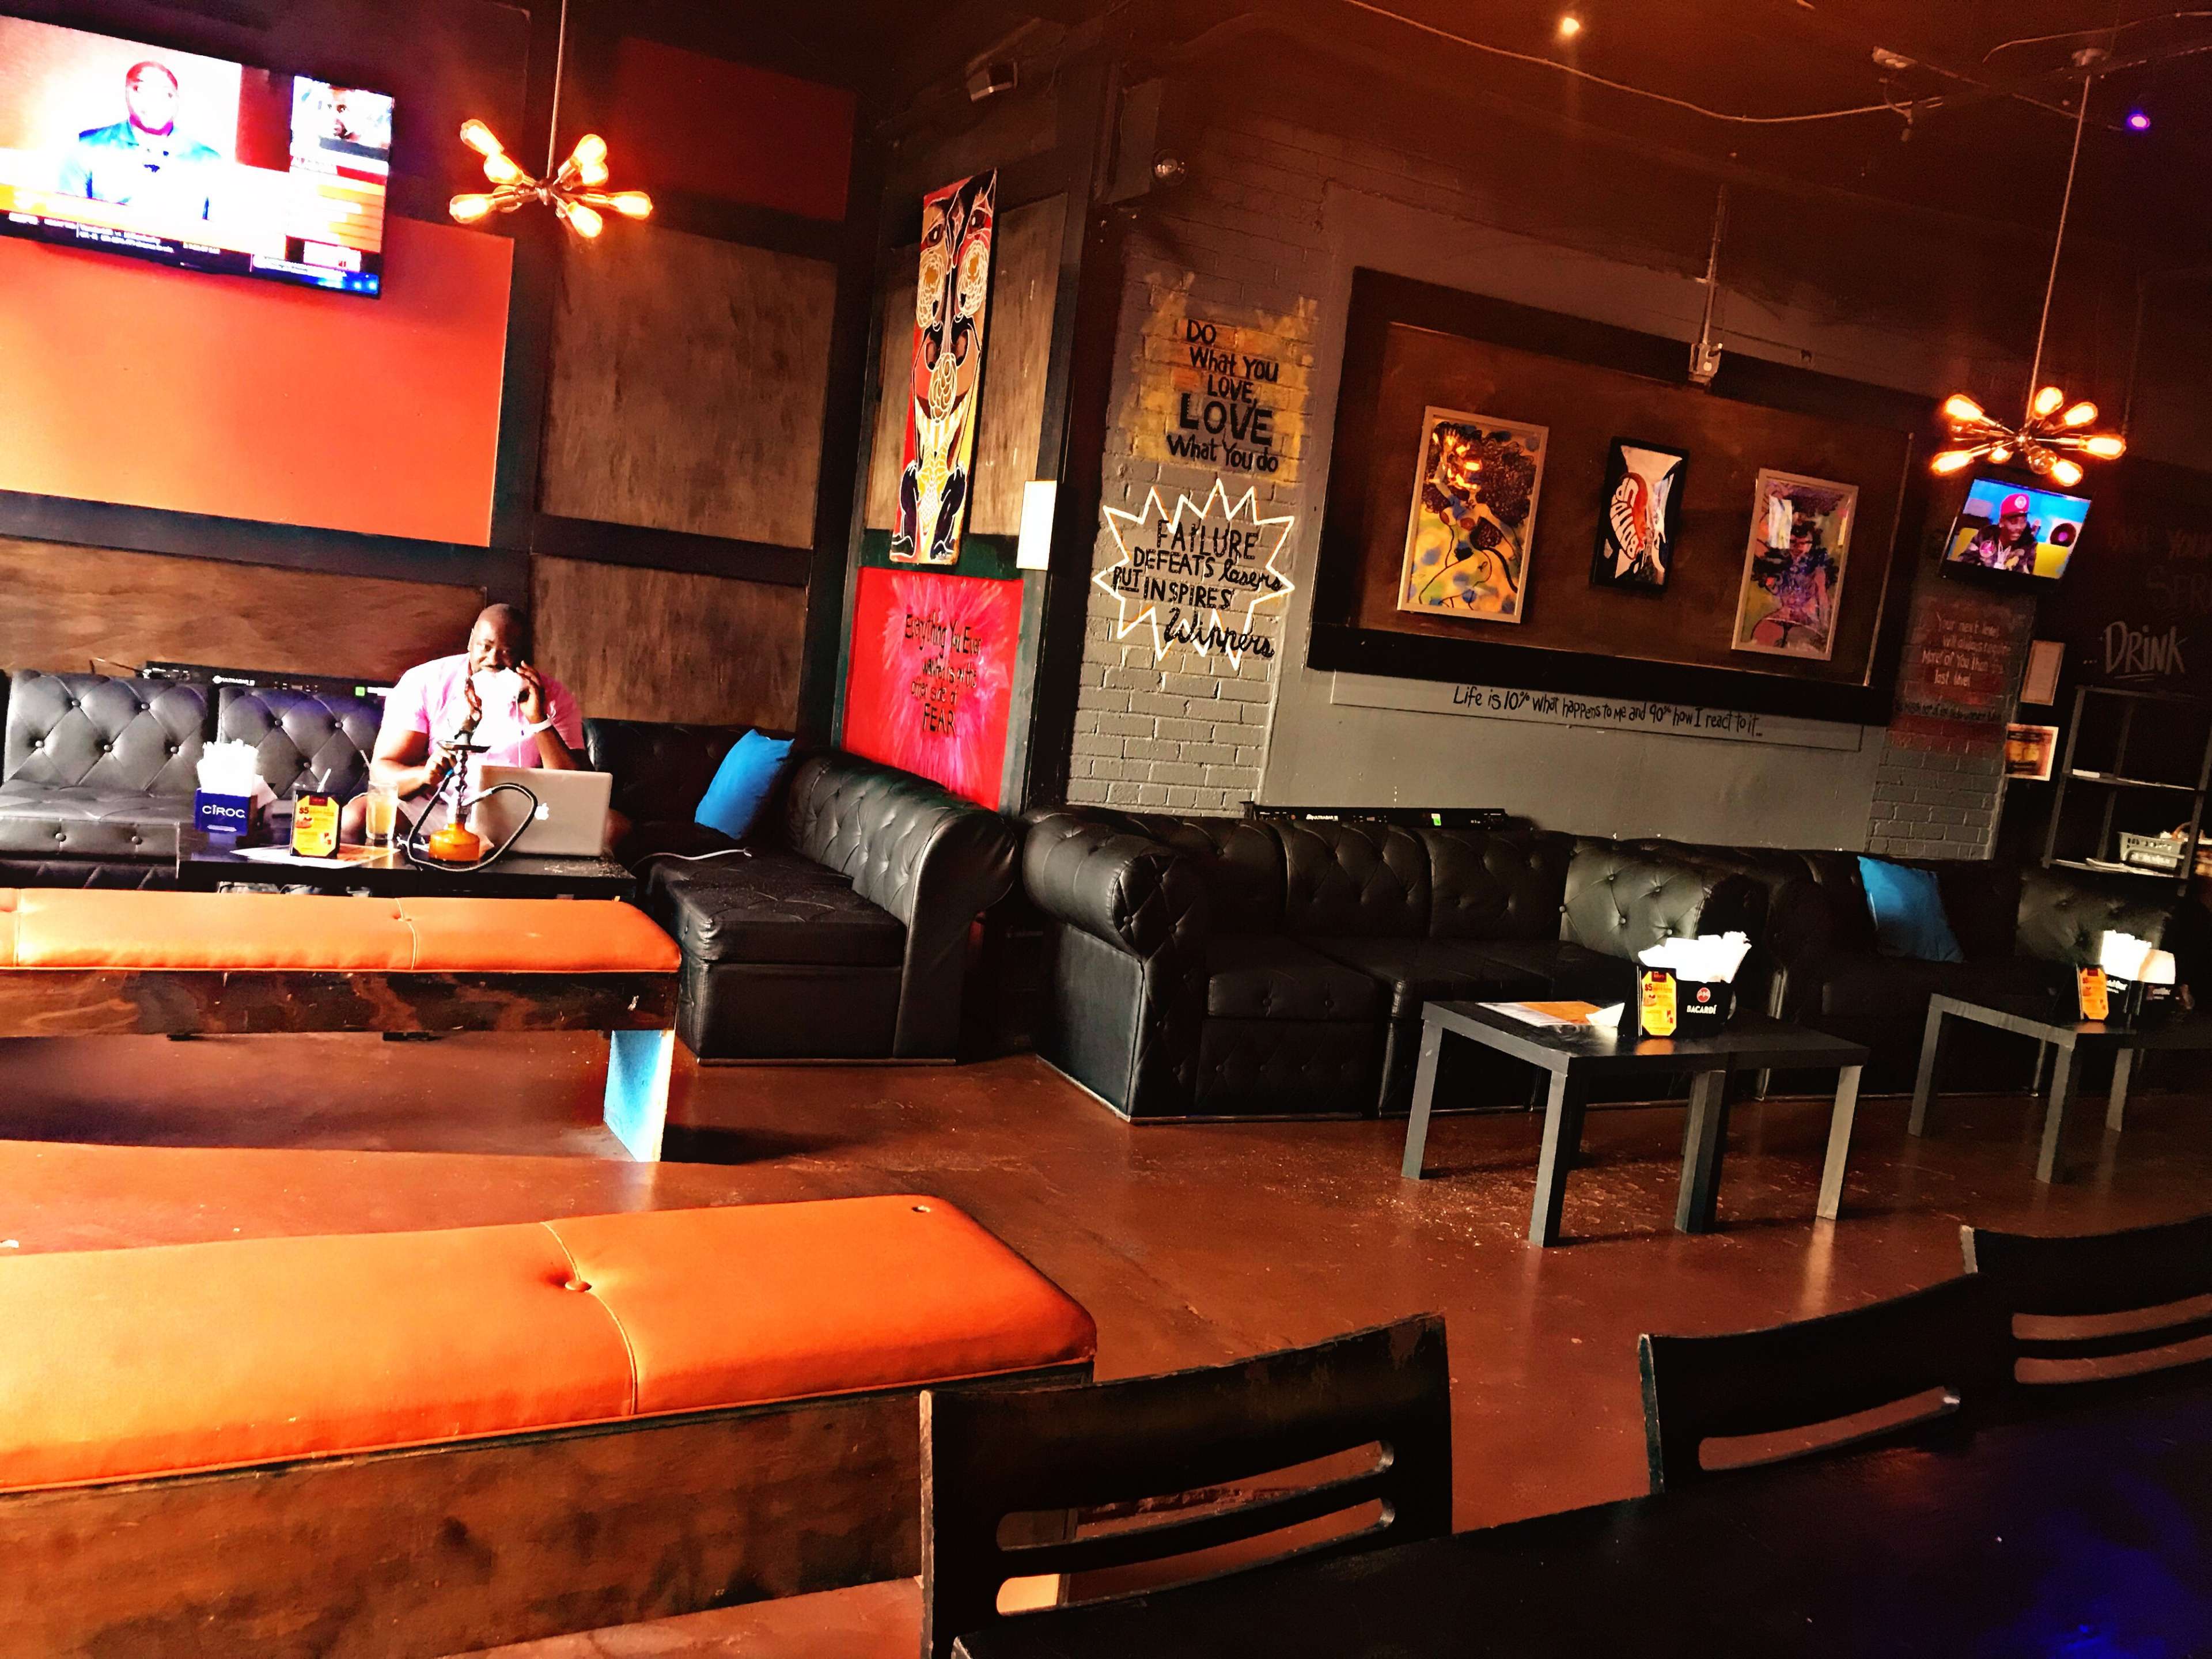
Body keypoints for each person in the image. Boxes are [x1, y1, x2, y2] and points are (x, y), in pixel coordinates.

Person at [345, 604, 614, 849]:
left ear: (525, 655)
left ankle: (566, 904)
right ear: (470, 642)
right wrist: (425, 775)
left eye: (507, 652)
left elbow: (575, 790)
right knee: (356, 817)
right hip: (437, 808)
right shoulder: (425, 682)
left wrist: (538, 719)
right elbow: (382, 773)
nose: (493, 660)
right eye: (484, 647)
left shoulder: (552, 696)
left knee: (611, 827)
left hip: (522, 815)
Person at [56, 61, 221, 221]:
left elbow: (221, 238)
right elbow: (65, 224)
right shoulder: (87, 147)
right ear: (127, 92)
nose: (154, 101)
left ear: (178, 99)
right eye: (140, 89)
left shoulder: (209, 161)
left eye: (167, 94)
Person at [1958, 492, 2040, 574]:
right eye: (2013, 522)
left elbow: (2026, 578)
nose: (2019, 527)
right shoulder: (1986, 534)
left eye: (2024, 521)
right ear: (2001, 522)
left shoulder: (2029, 543)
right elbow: (1964, 563)